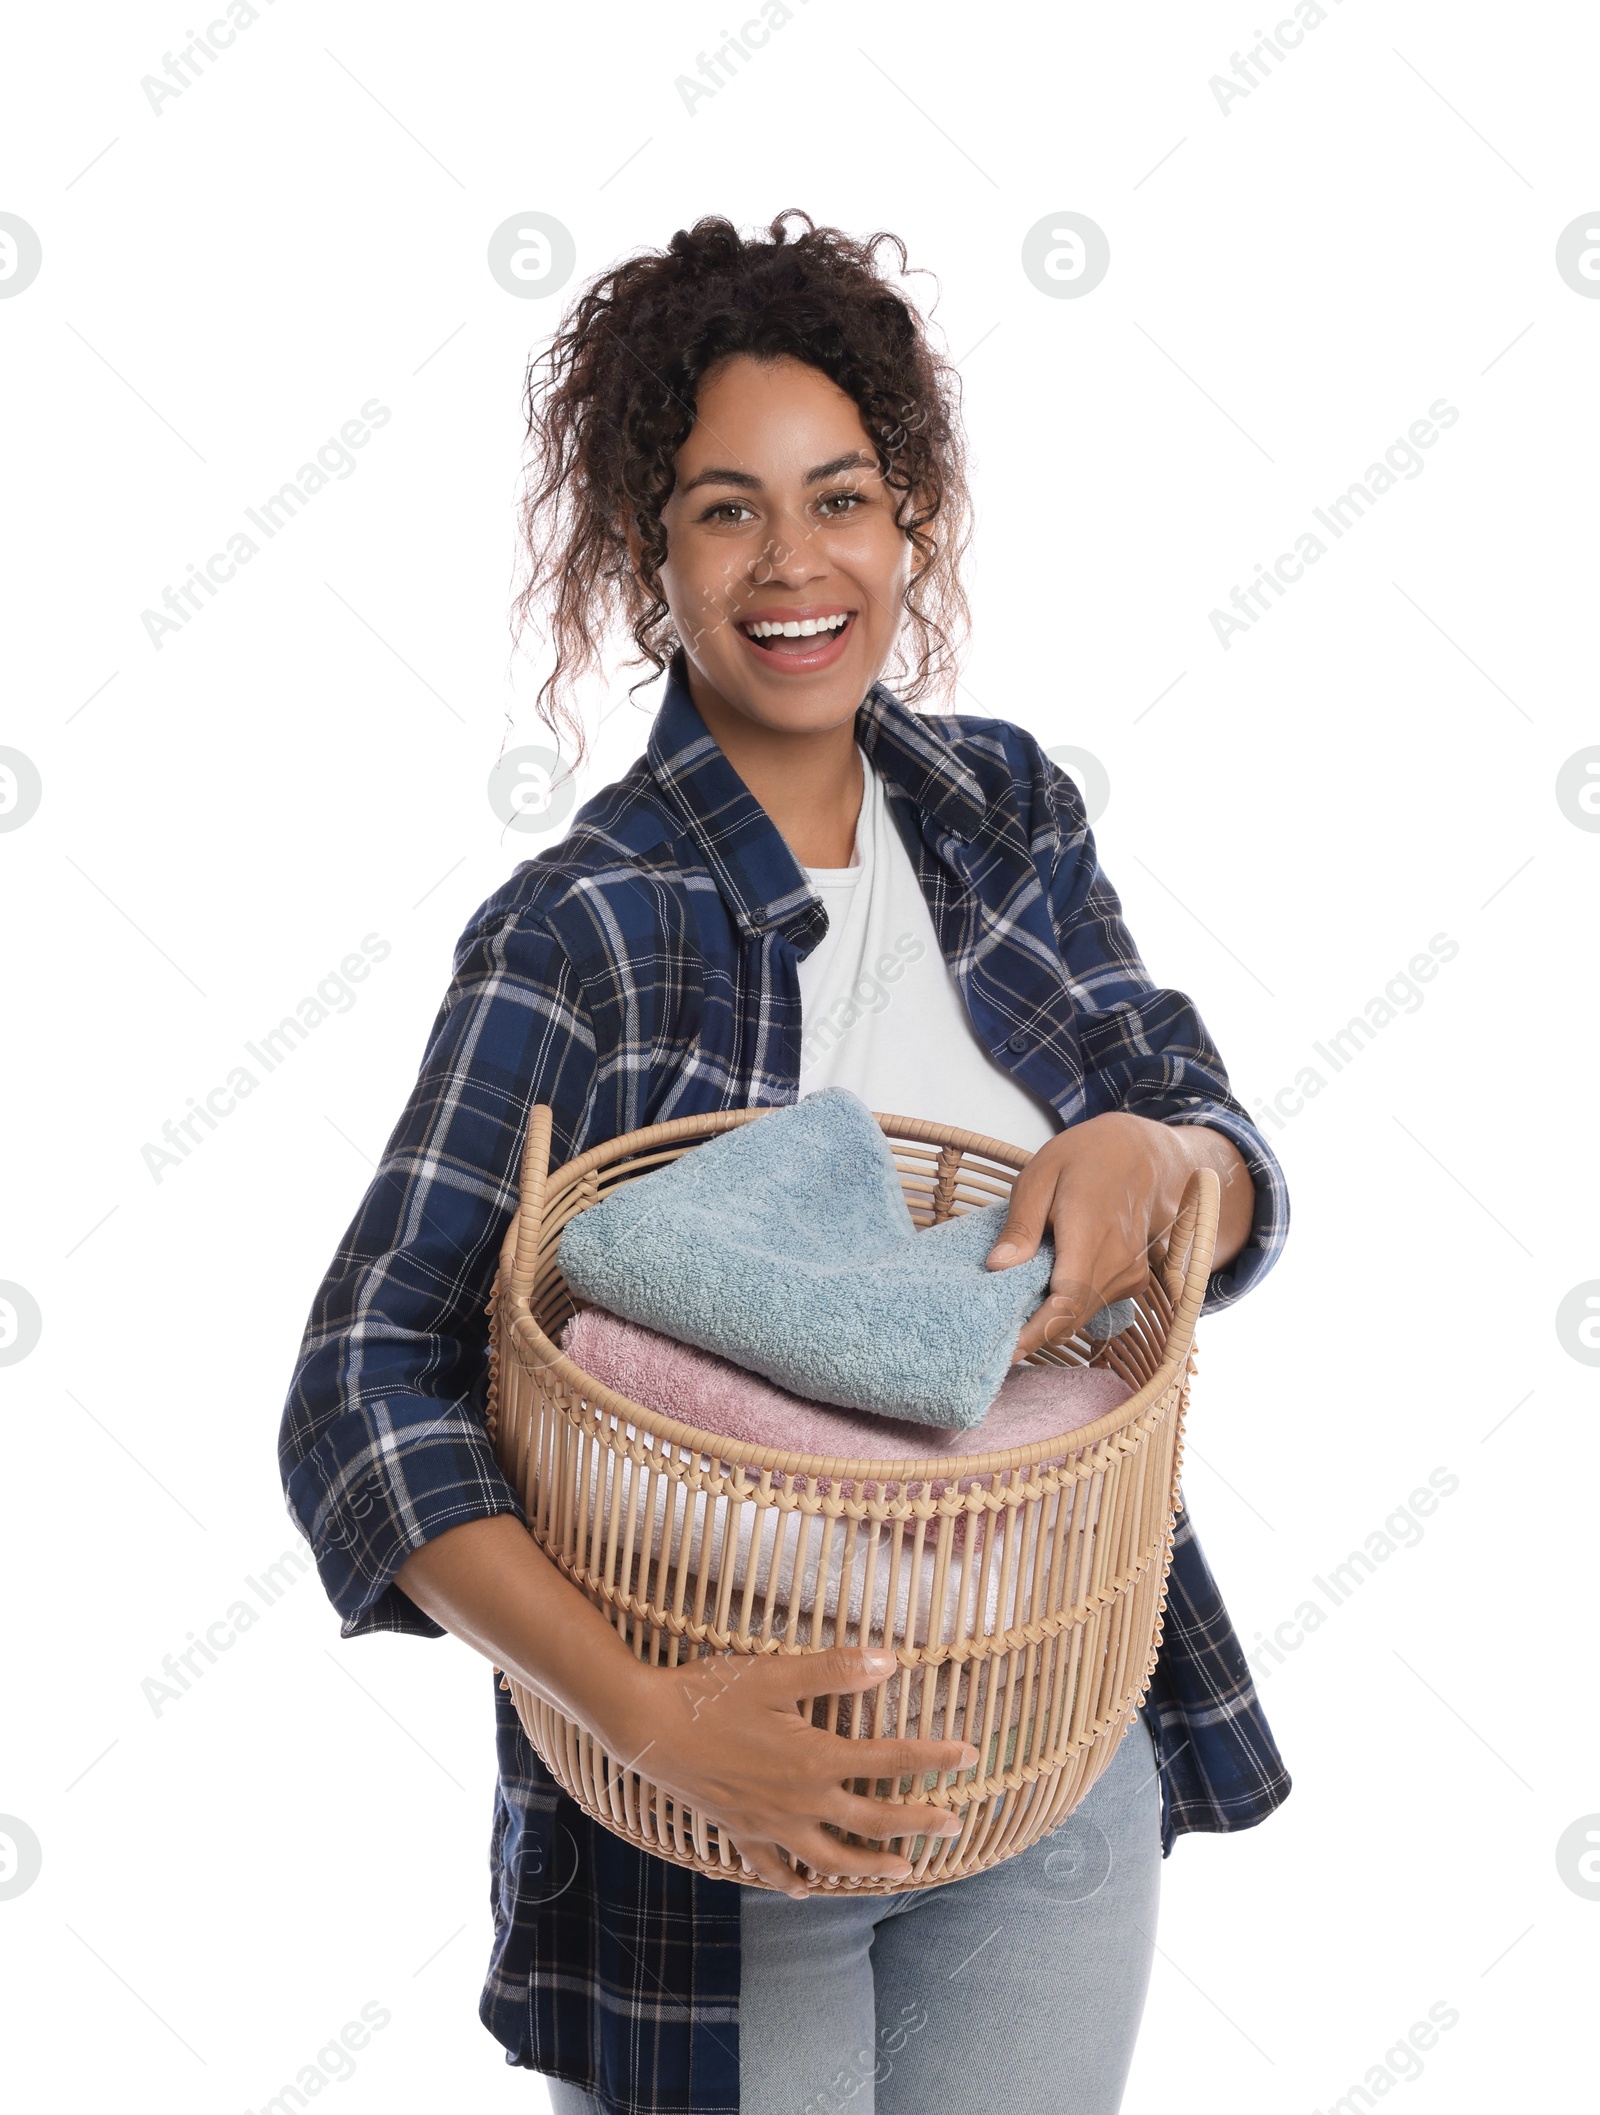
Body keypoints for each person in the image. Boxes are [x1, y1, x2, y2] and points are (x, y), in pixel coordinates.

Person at [278, 210, 1292, 2115]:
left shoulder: (1005, 814)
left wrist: (1159, 1159)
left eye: (840, 498)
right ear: (646, 557)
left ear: (911, 524)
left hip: (1055, 1753)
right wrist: (654, 1715)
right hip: (723, 1830)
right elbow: (359, 1387)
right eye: (725, 509)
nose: (795, 563)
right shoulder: (585, 923)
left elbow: (1220, 1143)